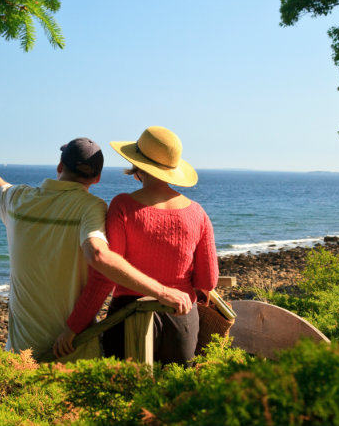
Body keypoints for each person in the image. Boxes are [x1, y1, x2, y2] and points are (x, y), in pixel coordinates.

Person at [0, 137, 192, 362]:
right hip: (75, 347)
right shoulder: (91, 208)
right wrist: (162, 291)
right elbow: (98, 255)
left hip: (22, 351)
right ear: (97, 178)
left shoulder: (17, 199)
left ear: (59, 165)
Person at [55, 126, 218, 365]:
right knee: (173, 395)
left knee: (125, 395)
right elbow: (208, 281)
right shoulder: (197, 213)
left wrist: (73, 328)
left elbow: (105, 277)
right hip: (181, 318)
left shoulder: (122, 206)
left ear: (138, 165)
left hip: (127, 316)